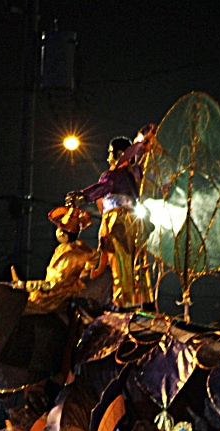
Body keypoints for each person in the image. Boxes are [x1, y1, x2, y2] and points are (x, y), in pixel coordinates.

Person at [68, 125, 156, 308]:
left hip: (119, 222)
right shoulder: (136, 174)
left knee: (121, 262)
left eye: (110, 153)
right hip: (136, 221)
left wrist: (82, 196)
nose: (108, 157)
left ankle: (124, 302)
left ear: (119, 154)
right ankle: (145, 301)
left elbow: (102, 188)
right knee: (138, 262)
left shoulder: (114, 175)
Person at [11, 204, 95, 314]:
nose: (57, 231)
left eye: (59, 229)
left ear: (64, 234)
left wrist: (25, 285)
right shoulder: (64, 249)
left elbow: (54, 284)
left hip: (55, 298)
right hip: (51, 293)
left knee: (14, 309)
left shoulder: (71, 256)